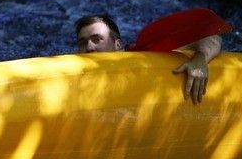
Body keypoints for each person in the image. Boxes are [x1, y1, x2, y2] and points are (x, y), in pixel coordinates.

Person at [74, 14, 222, 104]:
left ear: (117, 44)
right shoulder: (72, 68)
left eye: (97, 39)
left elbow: (212, 36)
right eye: (82, 43)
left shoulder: (144, 51)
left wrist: (200, 58)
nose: (89, 47)